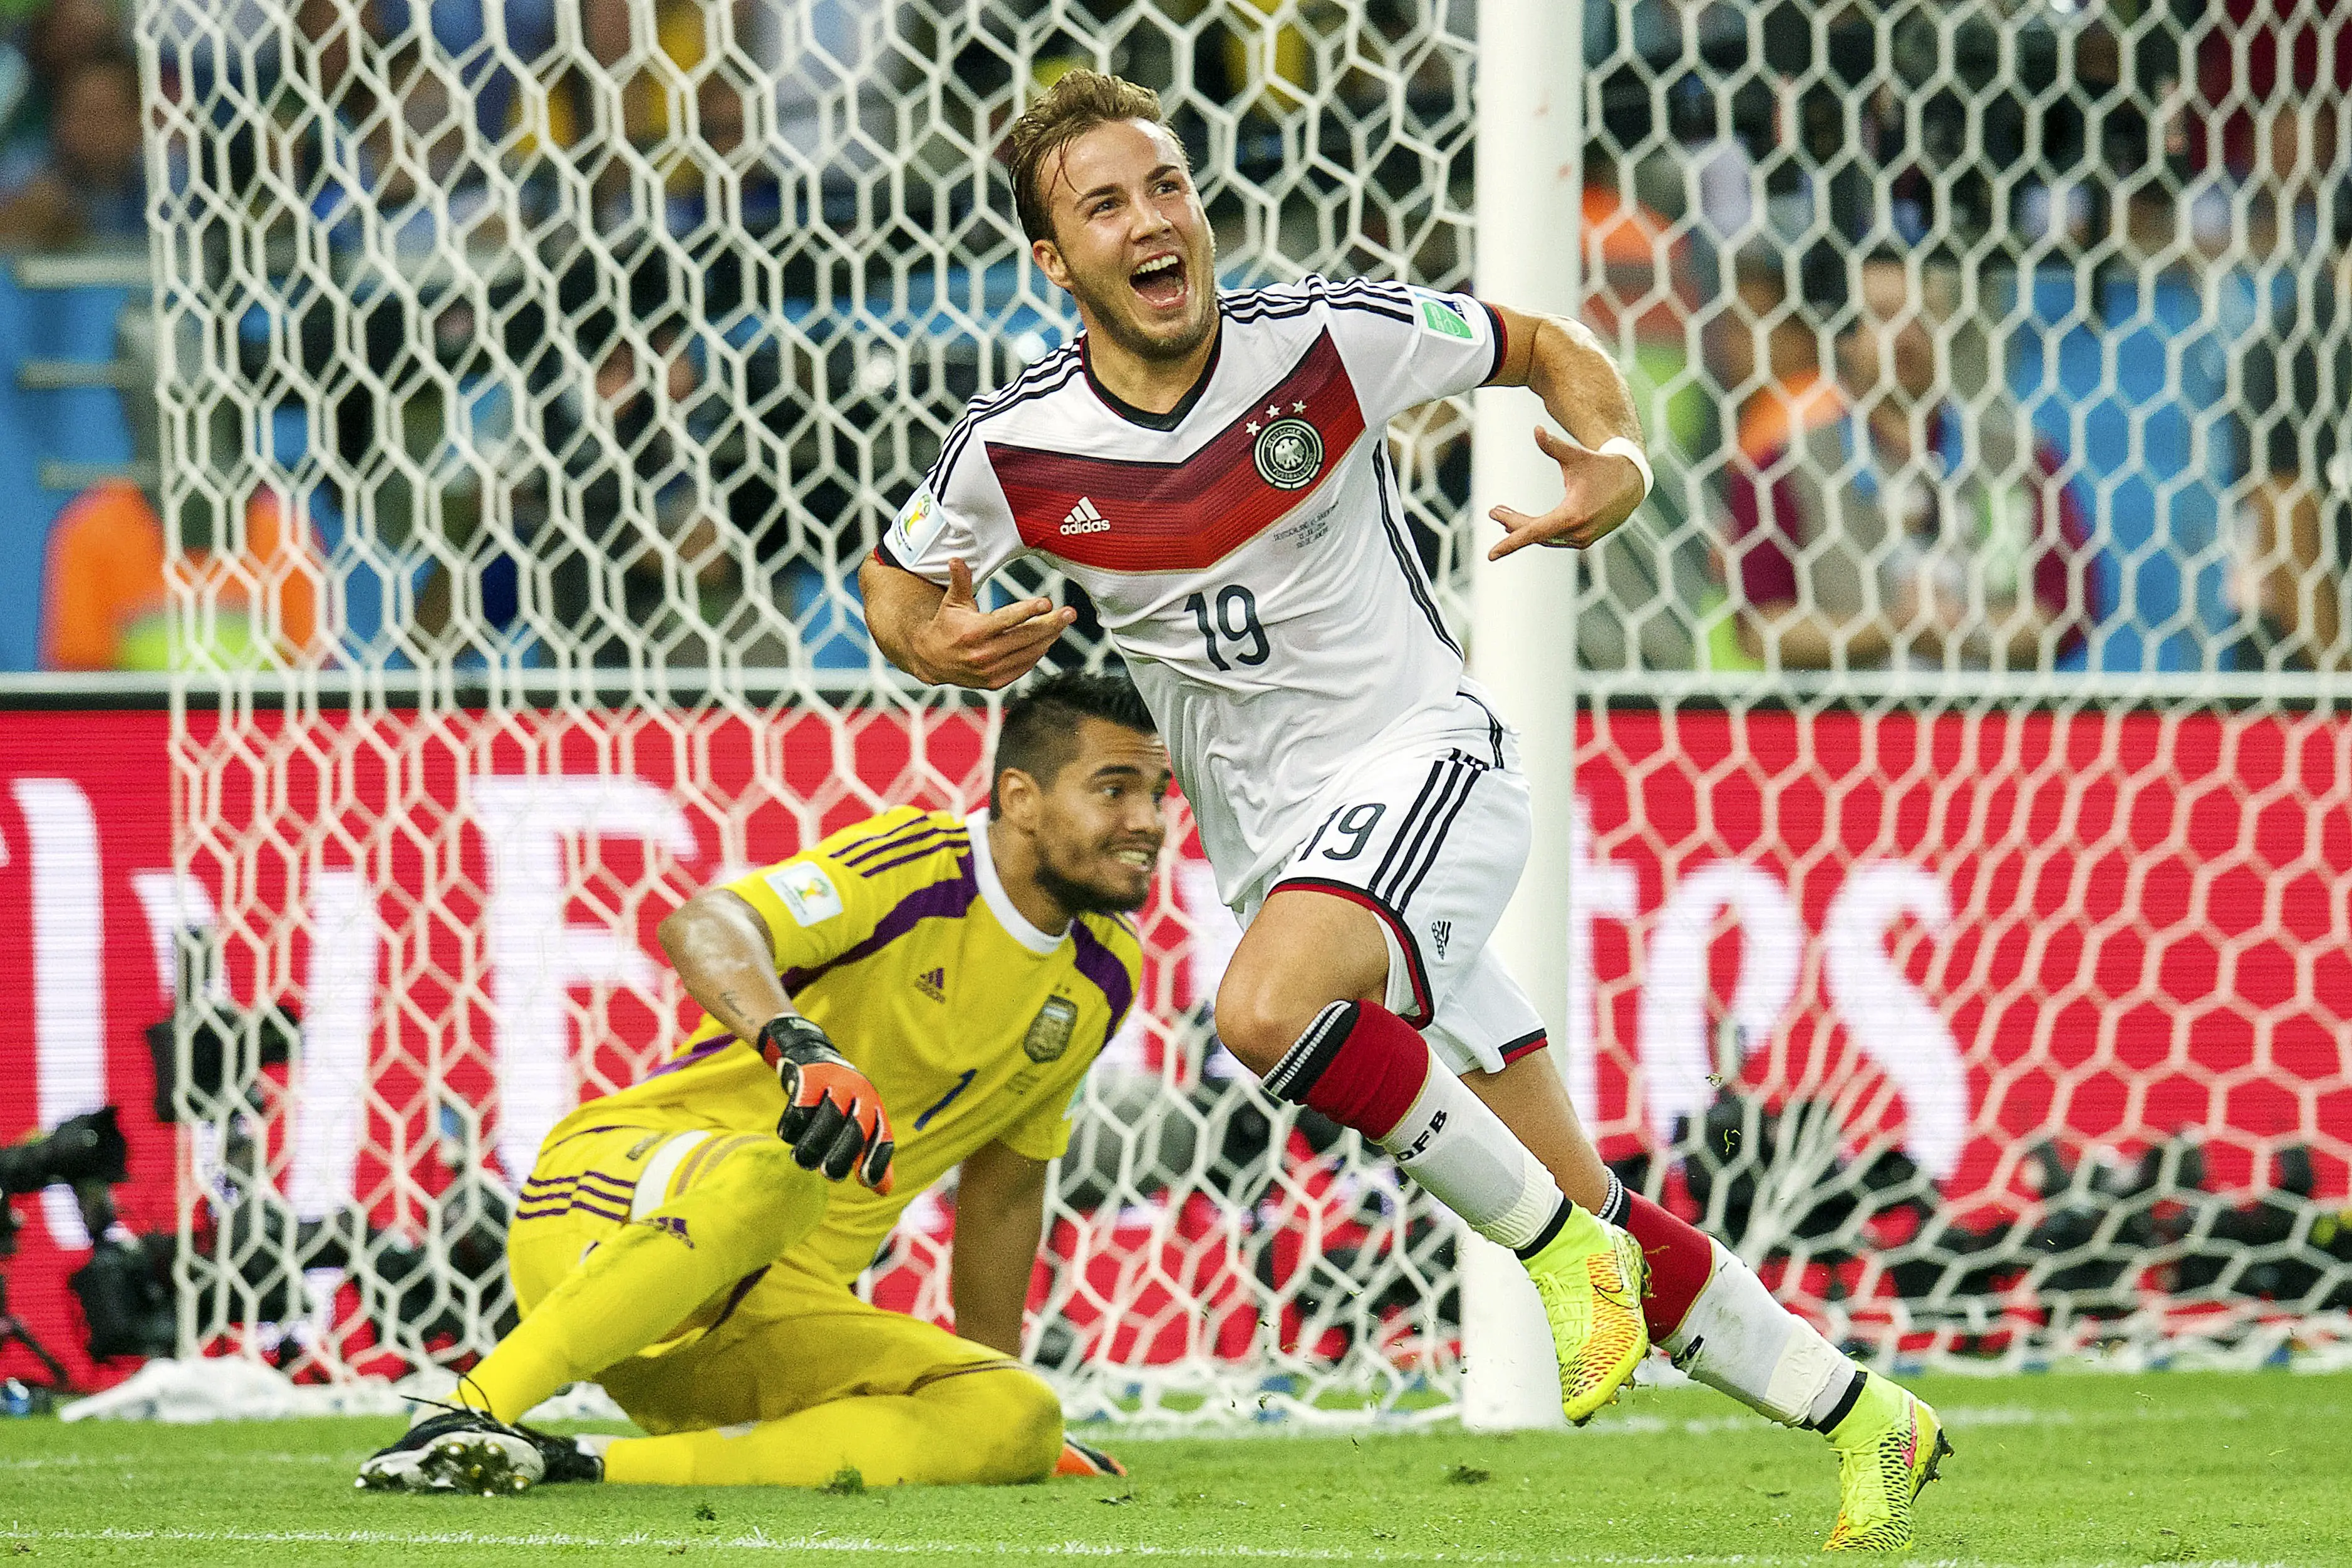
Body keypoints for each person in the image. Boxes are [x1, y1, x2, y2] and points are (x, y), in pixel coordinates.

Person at [856, 70, 1948, 1550]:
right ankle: (1865, 1415)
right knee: (1584, 1189)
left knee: (1262, 1012)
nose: (1151, 219)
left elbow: (1545, 346)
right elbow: (898, 575)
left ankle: (1557, 1259)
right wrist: (926, 641)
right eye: (1103, 205)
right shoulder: (1015, 446)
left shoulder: (1326, 339)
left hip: (1429, 766)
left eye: (1165, 184)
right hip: (1285, 855)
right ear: (1054, 262)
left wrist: (1619, 459)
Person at [357, 672, 1164, 1493]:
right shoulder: (919, 866)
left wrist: (980, 1376)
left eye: (1157, 793)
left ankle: (574, 1462)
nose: (1149, 820)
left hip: (761, 1316)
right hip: (611, 1212)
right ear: (1020, 798)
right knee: (779, 1174)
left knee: (1017, 1416)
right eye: (1114, 789)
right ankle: (464, 1413)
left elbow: (1003, 1195)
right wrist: (800, 1048)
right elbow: (705, 922)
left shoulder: (1105, 973)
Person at [1725, 250, 2098, 672]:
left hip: (1987, 712)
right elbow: (1758, 627)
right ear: (1845, 335)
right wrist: (1893, 629)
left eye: (1923, 316)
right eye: (1883, 316)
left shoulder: (2023, 459)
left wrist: (1966, 633)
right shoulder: (1784, 467)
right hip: (1846, 713)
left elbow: (2068, 612)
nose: (1905, 335)